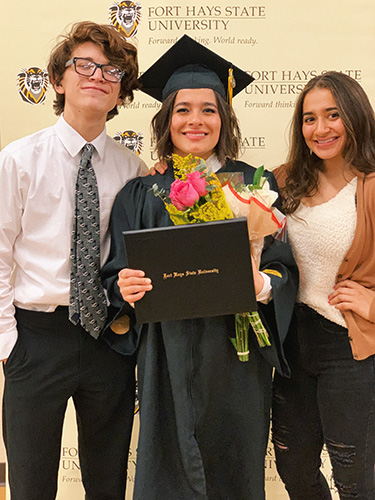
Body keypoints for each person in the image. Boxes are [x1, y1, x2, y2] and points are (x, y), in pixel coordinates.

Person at [102, 35, 298, 500]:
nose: (195, 120)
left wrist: (263, 287)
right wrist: (123, 286)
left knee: (235, 465)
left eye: (208, 109)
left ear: (224, 117)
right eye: (183, 109)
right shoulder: (141, 193)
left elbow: (281, 268)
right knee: (166, 470)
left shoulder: (252, 184)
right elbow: (115, 273)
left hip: (237, 356)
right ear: (167, 118)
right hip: (164, 356)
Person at [0, 21, 149, 500]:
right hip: (36, 339)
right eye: (83, 65)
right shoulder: (19, 160)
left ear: (122, 92)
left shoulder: (134, 170)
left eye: (111, 70)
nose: (97, 75)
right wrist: (8, 343)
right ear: (59, 81)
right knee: (31, 484)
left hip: (108, 338)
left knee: (108, 483)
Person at [272, 71, 375, 499]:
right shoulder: (284, 181)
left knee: (354, 478)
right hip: (290, 343)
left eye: (333, 115)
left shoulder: (370, 185)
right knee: (293, 468)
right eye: (309, 118)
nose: (321, 129)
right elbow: (226, 197)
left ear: (355, 117)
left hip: (347, 348)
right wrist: (171, 168)